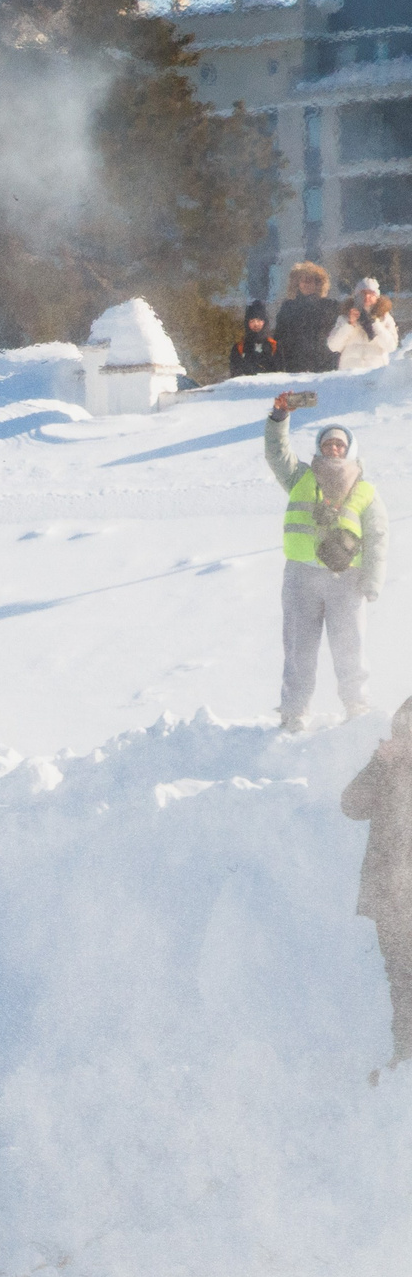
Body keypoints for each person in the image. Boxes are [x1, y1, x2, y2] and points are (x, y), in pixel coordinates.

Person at [268, 392, 388, 731]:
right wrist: (279, 417)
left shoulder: (366, 491)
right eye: (327, 443)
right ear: (319, 448)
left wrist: (372, 581)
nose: (333, 448)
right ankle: (294, 713)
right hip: (301, 577)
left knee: (350, 649)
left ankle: (357, 708)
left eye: (339, 444)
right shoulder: (300, 477)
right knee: (298, 648)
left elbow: (378, 536)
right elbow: (276, 453)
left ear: (349, 450)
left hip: (347, 580)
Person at [341, 705, 412, 1076]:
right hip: (392, 898)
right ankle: (406, 1055)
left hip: (397, 894)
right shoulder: (389, 767)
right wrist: (379, 763)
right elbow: (351, 805)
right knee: (402, 977)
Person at [275, 262, 346, 373]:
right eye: (303, 280)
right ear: (297, 283)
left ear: (318, 284)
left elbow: (337, 334)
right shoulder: (288, 307)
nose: (306, 284)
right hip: (295, 365)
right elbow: (280, 336)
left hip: (325, 365)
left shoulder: (330, 306)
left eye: (310, 281)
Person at [328, 276, 399, 373]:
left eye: (371, 293)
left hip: (375, 372)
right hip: (349, 373)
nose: (367, 297)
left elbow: (391, 346)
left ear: (377, 296)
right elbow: (333, 346)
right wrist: (349, 324)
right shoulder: (344, 317)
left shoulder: (385, 318)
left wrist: (376, 324)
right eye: (363, 293)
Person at [227, 302, 278, 380]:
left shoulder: (274, 346)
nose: (256, 324)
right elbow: (235, 375)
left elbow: (280, 374)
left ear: (264, 322)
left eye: (259, 320)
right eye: (252, 321)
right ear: (247, 323)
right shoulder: (239, 347)